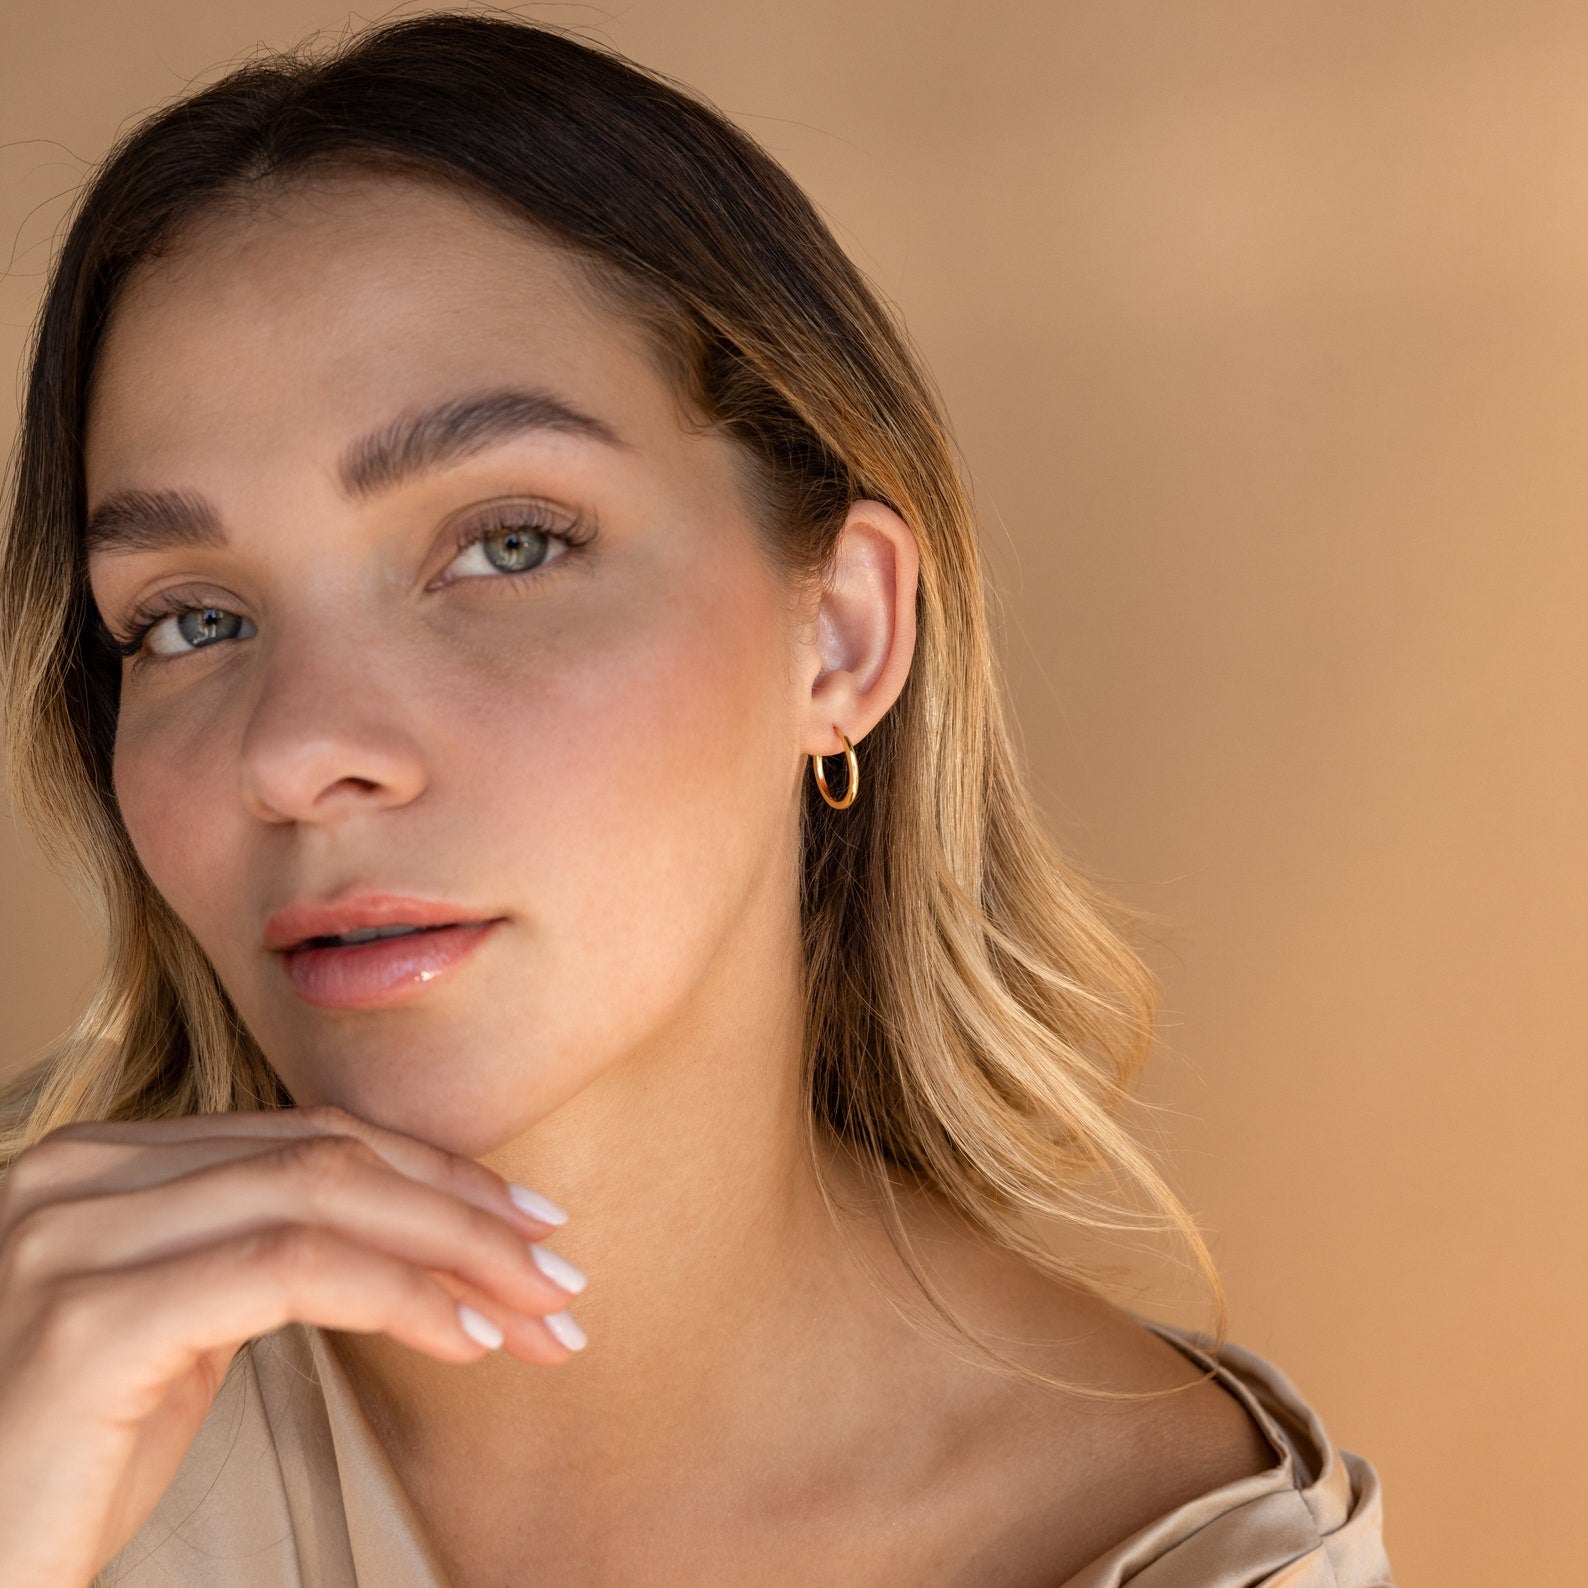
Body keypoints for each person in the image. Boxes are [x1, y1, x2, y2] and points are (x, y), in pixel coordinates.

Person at [0, 13, 1392, 1586]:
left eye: (510, 542)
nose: (294, 750)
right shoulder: (22, 1381)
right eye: (188, 618)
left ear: (842, 634)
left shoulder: (1166, 1554)